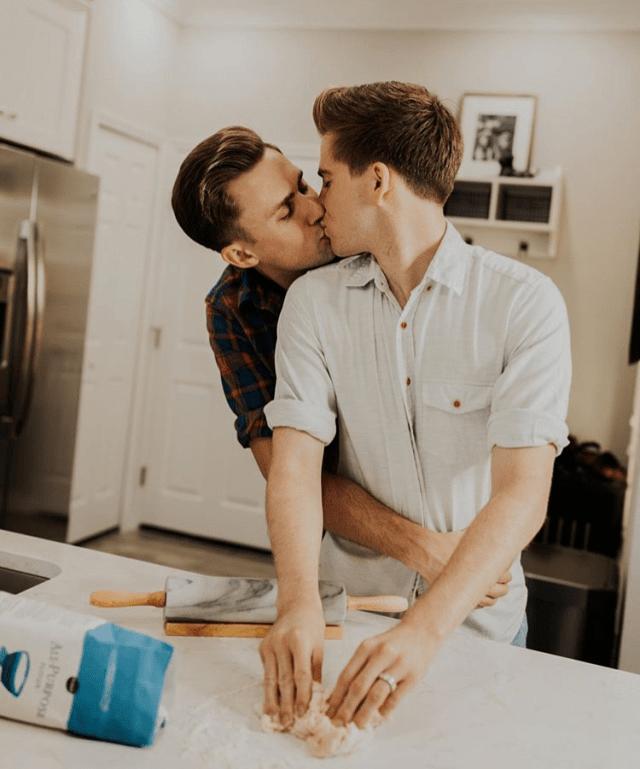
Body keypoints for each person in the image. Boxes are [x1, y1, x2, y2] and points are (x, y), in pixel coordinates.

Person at [260, 81, 571, 731]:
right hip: (348, 616)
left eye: (326, 178)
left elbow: (523, 494)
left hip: (475, 628)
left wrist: (424, 630)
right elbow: (294, 467)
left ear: (377, 181)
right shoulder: (313, 305)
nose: (318, 202)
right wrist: (297, 602)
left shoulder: (524, 302)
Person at [170, 126, 511, 610]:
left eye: (305, 184)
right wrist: (425, 550)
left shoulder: (376, 249)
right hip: (358, 577)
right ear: (243, 254)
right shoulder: (233, 311)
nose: (315, 208)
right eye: (286, 210)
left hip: (475, 574)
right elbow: (290, 473)